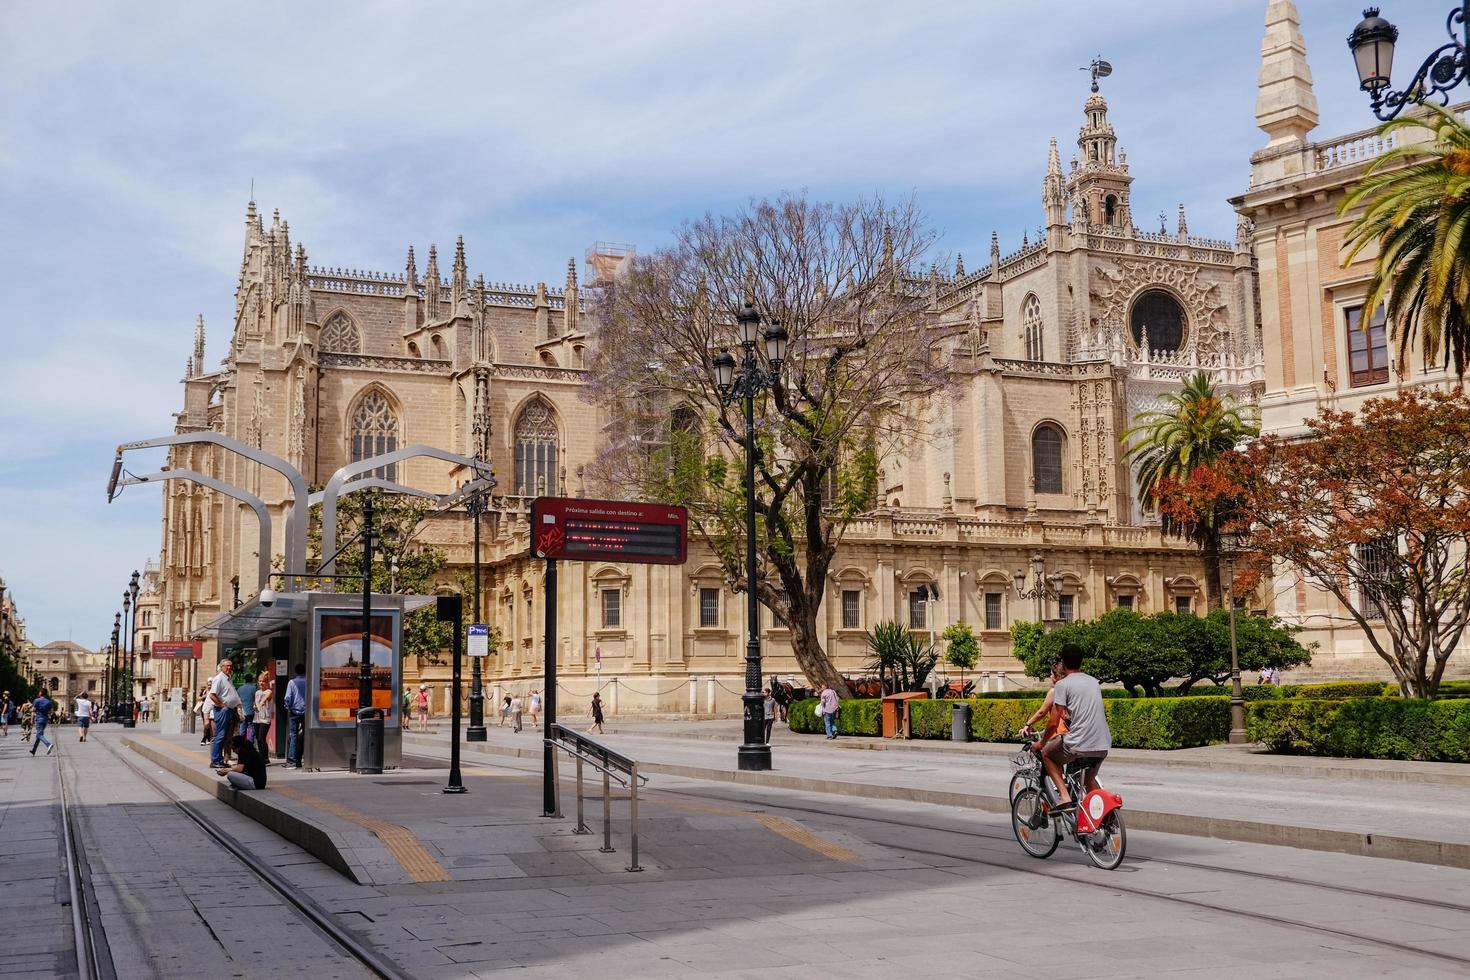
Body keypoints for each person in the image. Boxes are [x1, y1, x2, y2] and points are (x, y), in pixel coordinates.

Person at [1032, 643, 1111, 812]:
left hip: (1078, 743)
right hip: (1103, 744)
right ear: (1081, 662)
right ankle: (1107, 818)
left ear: (1064, 662)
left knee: (1047, 753)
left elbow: (1053, 722)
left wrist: (1041, 743)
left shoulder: (1063, 685)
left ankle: (1064, 796)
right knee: (1089, 780)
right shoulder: (1093, 682)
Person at [1020, 660, 1067, 737]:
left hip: (1060, 736)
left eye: (1051, 674)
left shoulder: (1054, 692)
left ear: (1057, 676)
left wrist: (1028, 724)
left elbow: (1041, 713)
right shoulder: (1072, 690)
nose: (1050, 676)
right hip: (1075, 735)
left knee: (1038, 747)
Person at [208, 659, 241, 768]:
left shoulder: (228, 679)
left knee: (226, 736)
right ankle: (216, 760)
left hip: (229, 710)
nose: (229, 668)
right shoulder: (219, 679)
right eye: (227, 666)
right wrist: (222, 705)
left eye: (231, 666)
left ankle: (220, 759)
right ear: (221, 667)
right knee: (220, 735)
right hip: (222, 711)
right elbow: (212, 695)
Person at [283, 663, 307, 769]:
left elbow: (288, 697)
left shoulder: (292, 682)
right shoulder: (308, 681)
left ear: (295, 671)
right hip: (307, 712)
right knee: (306, 735)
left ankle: (292, 761)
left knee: (293, 735)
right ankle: (305, 758)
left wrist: (288, 707)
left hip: (294, 712)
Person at [252, 672, 273, 761]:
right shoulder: (257, 692)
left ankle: (265, 758)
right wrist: (255, 706)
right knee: (258, 738)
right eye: (260, 681)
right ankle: (261, 757)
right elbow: (256, 703)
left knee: (262, 738)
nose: (261, 683)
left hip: (265, 718)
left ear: (267, 682)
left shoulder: (269, 691)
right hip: (257, 718)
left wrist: (262, 701)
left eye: (263, 681)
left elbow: (266, 697)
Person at [29, 689, 55, 756]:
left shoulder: (36, 700)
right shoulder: (49, 701)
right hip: (45, 719)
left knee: (39, 735)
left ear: (40, 693)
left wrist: (31, 719)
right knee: (40, 734)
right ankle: (34, 750)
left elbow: (33, 710)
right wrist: (46, 712)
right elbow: (51, 711)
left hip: (39, 719)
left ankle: (48, 744)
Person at [238, 672, 257, 747]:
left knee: (242, 727)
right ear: (252, 680)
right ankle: (250, 744)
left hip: (242, 711)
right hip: (251, 711)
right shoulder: (254, 688)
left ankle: (241, 744)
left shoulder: (240, 689)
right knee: (251, 727)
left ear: (245, 680)